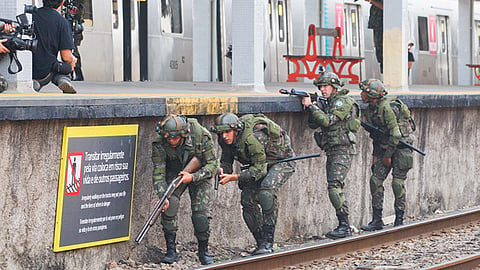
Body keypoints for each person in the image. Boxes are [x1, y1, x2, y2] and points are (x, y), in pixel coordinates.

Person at [211, 113, 295, 255]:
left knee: (266, 193)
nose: (224, 136)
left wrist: (235, 177)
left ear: (236, 130)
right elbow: (226, 160)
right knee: (247, 201)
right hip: (259, 164)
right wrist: (221, 171)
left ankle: (268, 241)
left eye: (227, 132)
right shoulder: (225, 140)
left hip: (281, 161)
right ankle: (260, 241)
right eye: (221, 133)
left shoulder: (254, 138)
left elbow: (259, 170)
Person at [301, 72, 361, 240]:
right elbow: (314, 124)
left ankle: (344, 225)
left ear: (334, 87)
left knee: (335, 185)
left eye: (325, 86)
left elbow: (328, 121)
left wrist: (312, 106)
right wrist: (313, 106)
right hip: (333, 149)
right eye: (320, 87)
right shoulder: (328, 103)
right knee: (334, 185)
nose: (322, 90)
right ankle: (343, 225)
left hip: (342, 149)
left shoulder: (343, 102)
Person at [152, 114, 217, 265]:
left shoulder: (201, 135)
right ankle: (171, 251)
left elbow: (212, 165)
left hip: (199, 175)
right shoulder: (160, 143)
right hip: (175, 174)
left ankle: (203, 251)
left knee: (200, 214)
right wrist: (163, 195)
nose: (171, 141)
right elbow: (158, 173)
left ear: (184, 134)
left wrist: (193, 176)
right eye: (168, 138)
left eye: (175, 138)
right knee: (168, 205)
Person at [359, 79, 415, 231]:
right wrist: (377, 155)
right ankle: (377, 220)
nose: (361, 94)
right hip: (383, 147)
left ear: (371, 95)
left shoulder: (385, 108)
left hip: (401, 148)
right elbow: (378, 134)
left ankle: (399, 219)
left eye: (364, 92)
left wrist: (387, 156)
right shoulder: (372, 107)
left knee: (397, 183)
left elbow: (396, 134)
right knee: (375, 181)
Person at [32, 0, 77, 94]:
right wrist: (73, 60)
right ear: (61, 2)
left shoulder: (32, 14)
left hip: (26, 69)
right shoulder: (62, 22)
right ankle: (63, 80)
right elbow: (66, 57)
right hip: (45, 72)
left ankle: (34, 83)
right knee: (66, 67)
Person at [367, 0, 384, 73]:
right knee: (379, 51)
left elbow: (386, 8)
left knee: (384, 52)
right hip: (377, 29)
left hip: (383, 29)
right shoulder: (374, 7)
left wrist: (372, 1)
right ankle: (383, 72)